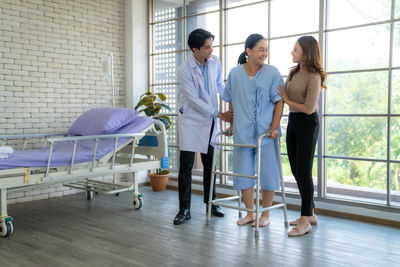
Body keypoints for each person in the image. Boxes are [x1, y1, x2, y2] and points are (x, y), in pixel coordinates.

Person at [222, 34, 284, 227]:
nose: (264, 53)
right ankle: (250, 213)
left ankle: (265, 214)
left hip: (266, 133)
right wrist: (232, 125)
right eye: (261, 49)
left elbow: (280, 101)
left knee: (268, 173)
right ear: (248, 51)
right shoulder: (234, 73)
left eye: (266, 49)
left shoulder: (272, 72)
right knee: (243, 173)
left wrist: (274, 127)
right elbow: (230, 98)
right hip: (242, 131)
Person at [173, 28, 233, 225]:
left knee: (210, 164)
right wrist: (219, 114)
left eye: (211, 46)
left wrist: (233, 96)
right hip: (191, 120)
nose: (211, 50)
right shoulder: (184, 70)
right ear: (195, 49)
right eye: (207, 47)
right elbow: (194, 99)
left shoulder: (215, 62)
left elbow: (219, 86)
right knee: (186, 166)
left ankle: (212, 203)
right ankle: (184, 209)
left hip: (209, 121)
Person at [278, 36, 327, 237]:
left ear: (306, 53)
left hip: (308, 124)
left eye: (296, 49)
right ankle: (311, 213)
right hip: (293, 122)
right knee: (297, 170)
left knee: (304, 172)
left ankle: (305, 220)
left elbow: (309, 108)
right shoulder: (293, 72)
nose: (292, 52)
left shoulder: (315, 77)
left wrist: (288, 100)